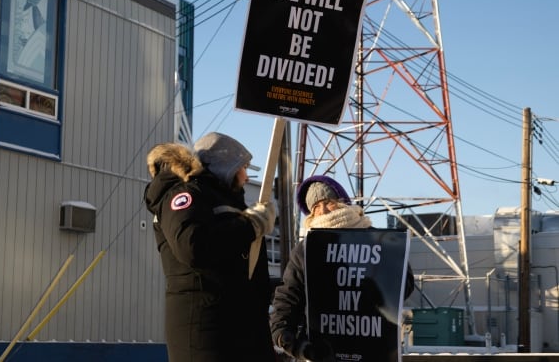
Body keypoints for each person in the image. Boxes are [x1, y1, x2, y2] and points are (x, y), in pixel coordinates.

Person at [143, 132, 277, 362]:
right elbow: (192, 246)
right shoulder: (185, 195)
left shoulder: (222, 200)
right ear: (226, 166)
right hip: (206, 332)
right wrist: (250, 225)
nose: (246, 176)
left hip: (238, 329)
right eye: (243, 167)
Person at [270, 175, 415, 361]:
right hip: (323, 352)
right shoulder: (306, 250)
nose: (322, 211)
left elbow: (406, 286)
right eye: (315, 207)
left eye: (328, 202)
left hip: (373, 350)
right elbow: (288, 298)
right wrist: (290, 341)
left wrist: (371, 282)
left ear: (343, 202)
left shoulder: (377, 240)